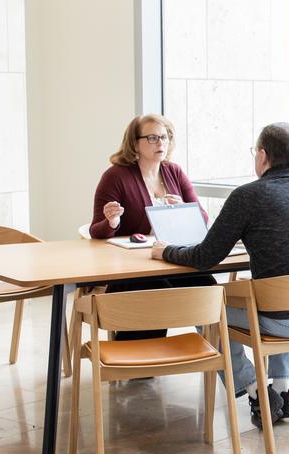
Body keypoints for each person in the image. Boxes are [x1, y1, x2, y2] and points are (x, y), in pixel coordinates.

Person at [154, 123, 289, 430]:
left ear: (262, 156)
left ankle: (256, 390)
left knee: (208, 309)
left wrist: (166, 251)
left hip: (282, 321)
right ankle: (283, 389)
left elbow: (205, 258)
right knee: (285, 287)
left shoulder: (247, 196)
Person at [90, 114, 211, 340]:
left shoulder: (174, 171)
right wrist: (112, 222)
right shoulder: (115, 176)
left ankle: (217, 352)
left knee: (207, 286)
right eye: (152, 138)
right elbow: (96, 231)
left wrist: (183, 209)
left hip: (172, 258)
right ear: (135, 143)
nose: (160, 143)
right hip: (134, 268)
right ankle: (137, 356)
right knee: (158, 292)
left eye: (164, 137)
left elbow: (202, 218)